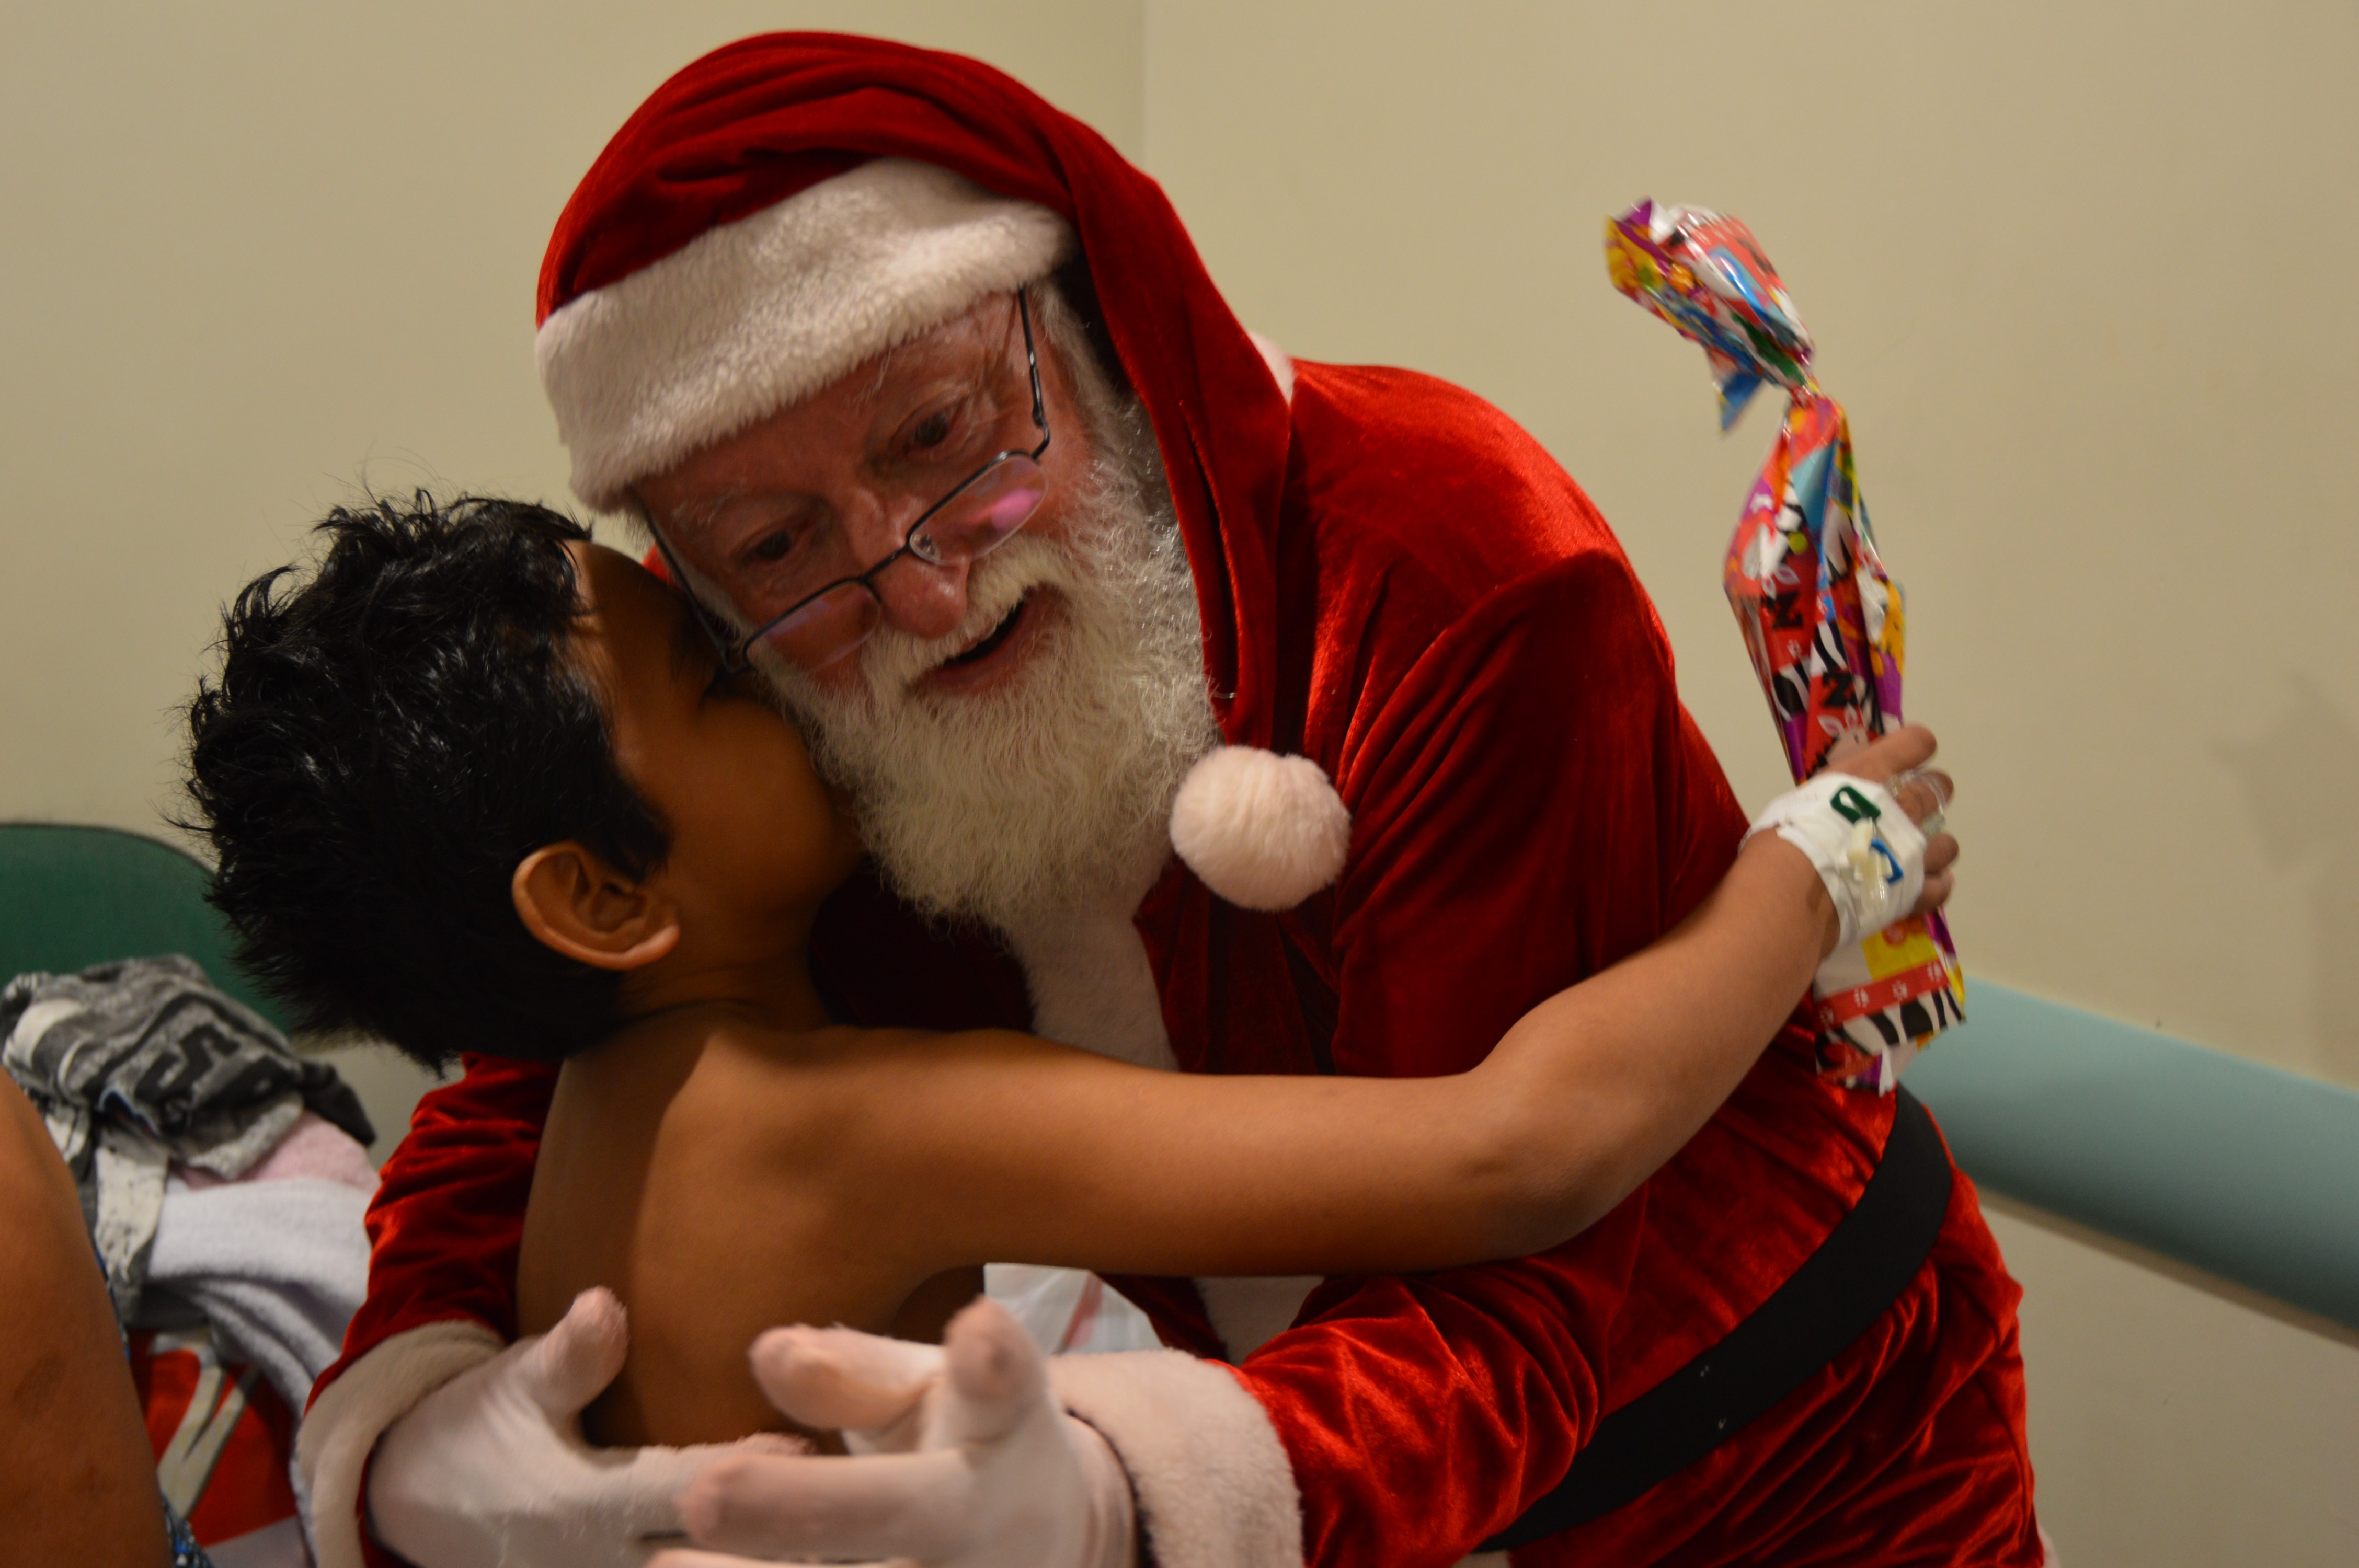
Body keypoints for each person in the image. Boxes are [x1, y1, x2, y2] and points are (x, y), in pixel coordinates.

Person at [294, 32, 2047, 1568]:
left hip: (1800, 1455)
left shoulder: (1449, 568)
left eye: (939, 437)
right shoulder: (776, 730)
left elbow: (1532, 1248)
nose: (913, 595)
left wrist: (1133, 1502)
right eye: (769, 550)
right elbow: (537, 1055)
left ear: (1092, 324)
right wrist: (430, 1415)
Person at [185, 494, 1949, 1457]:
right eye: (722, 683)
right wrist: (1815, 867)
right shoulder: (834, 1125)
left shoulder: (603, 1102)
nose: (794, 670)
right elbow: (1517, 1155)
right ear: (592, 900)